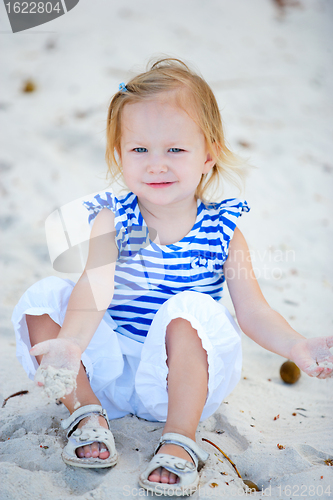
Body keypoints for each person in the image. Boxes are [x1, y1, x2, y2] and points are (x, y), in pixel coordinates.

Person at [12, 58, 333, 496]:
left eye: (174, 150)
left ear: (209, 155)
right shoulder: (113, 218)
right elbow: (95, 286)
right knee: (45, 297)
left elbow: (253, 310)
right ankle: (86, 411)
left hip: (178, 384)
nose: (156, 164)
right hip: (112, 373)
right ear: (119, 155)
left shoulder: (223, 229)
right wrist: (71, 343)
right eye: (139, 150)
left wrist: (295, 345)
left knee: (189, 312)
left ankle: (180, 438)